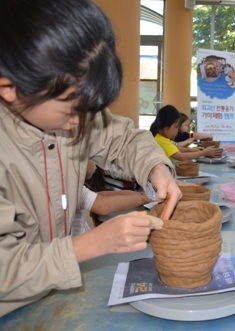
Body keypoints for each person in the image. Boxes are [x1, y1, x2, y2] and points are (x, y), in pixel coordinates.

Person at [0, 0, 181, 316]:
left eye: (90, 110)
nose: (82, 122)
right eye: (73, 110)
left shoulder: (61, 109)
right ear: (10, 88)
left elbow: (122, 138)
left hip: (54, 295)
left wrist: (156, 167)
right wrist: (94, 244)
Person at [72, 161, 155, 235]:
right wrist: (142, 199)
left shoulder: (76, 188)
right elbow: (104, 205)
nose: (95, 164)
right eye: (90, 157)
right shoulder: (71, 190)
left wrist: (141, 196)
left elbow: (100, 195)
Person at [150, 105, 222, 160]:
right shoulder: (161, 141)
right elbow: (181, 156)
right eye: (176, 127)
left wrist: (193, 150)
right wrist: (204, 153)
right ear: (165, 127)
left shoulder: (161, 138)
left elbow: (175, 149)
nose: (177, 130)